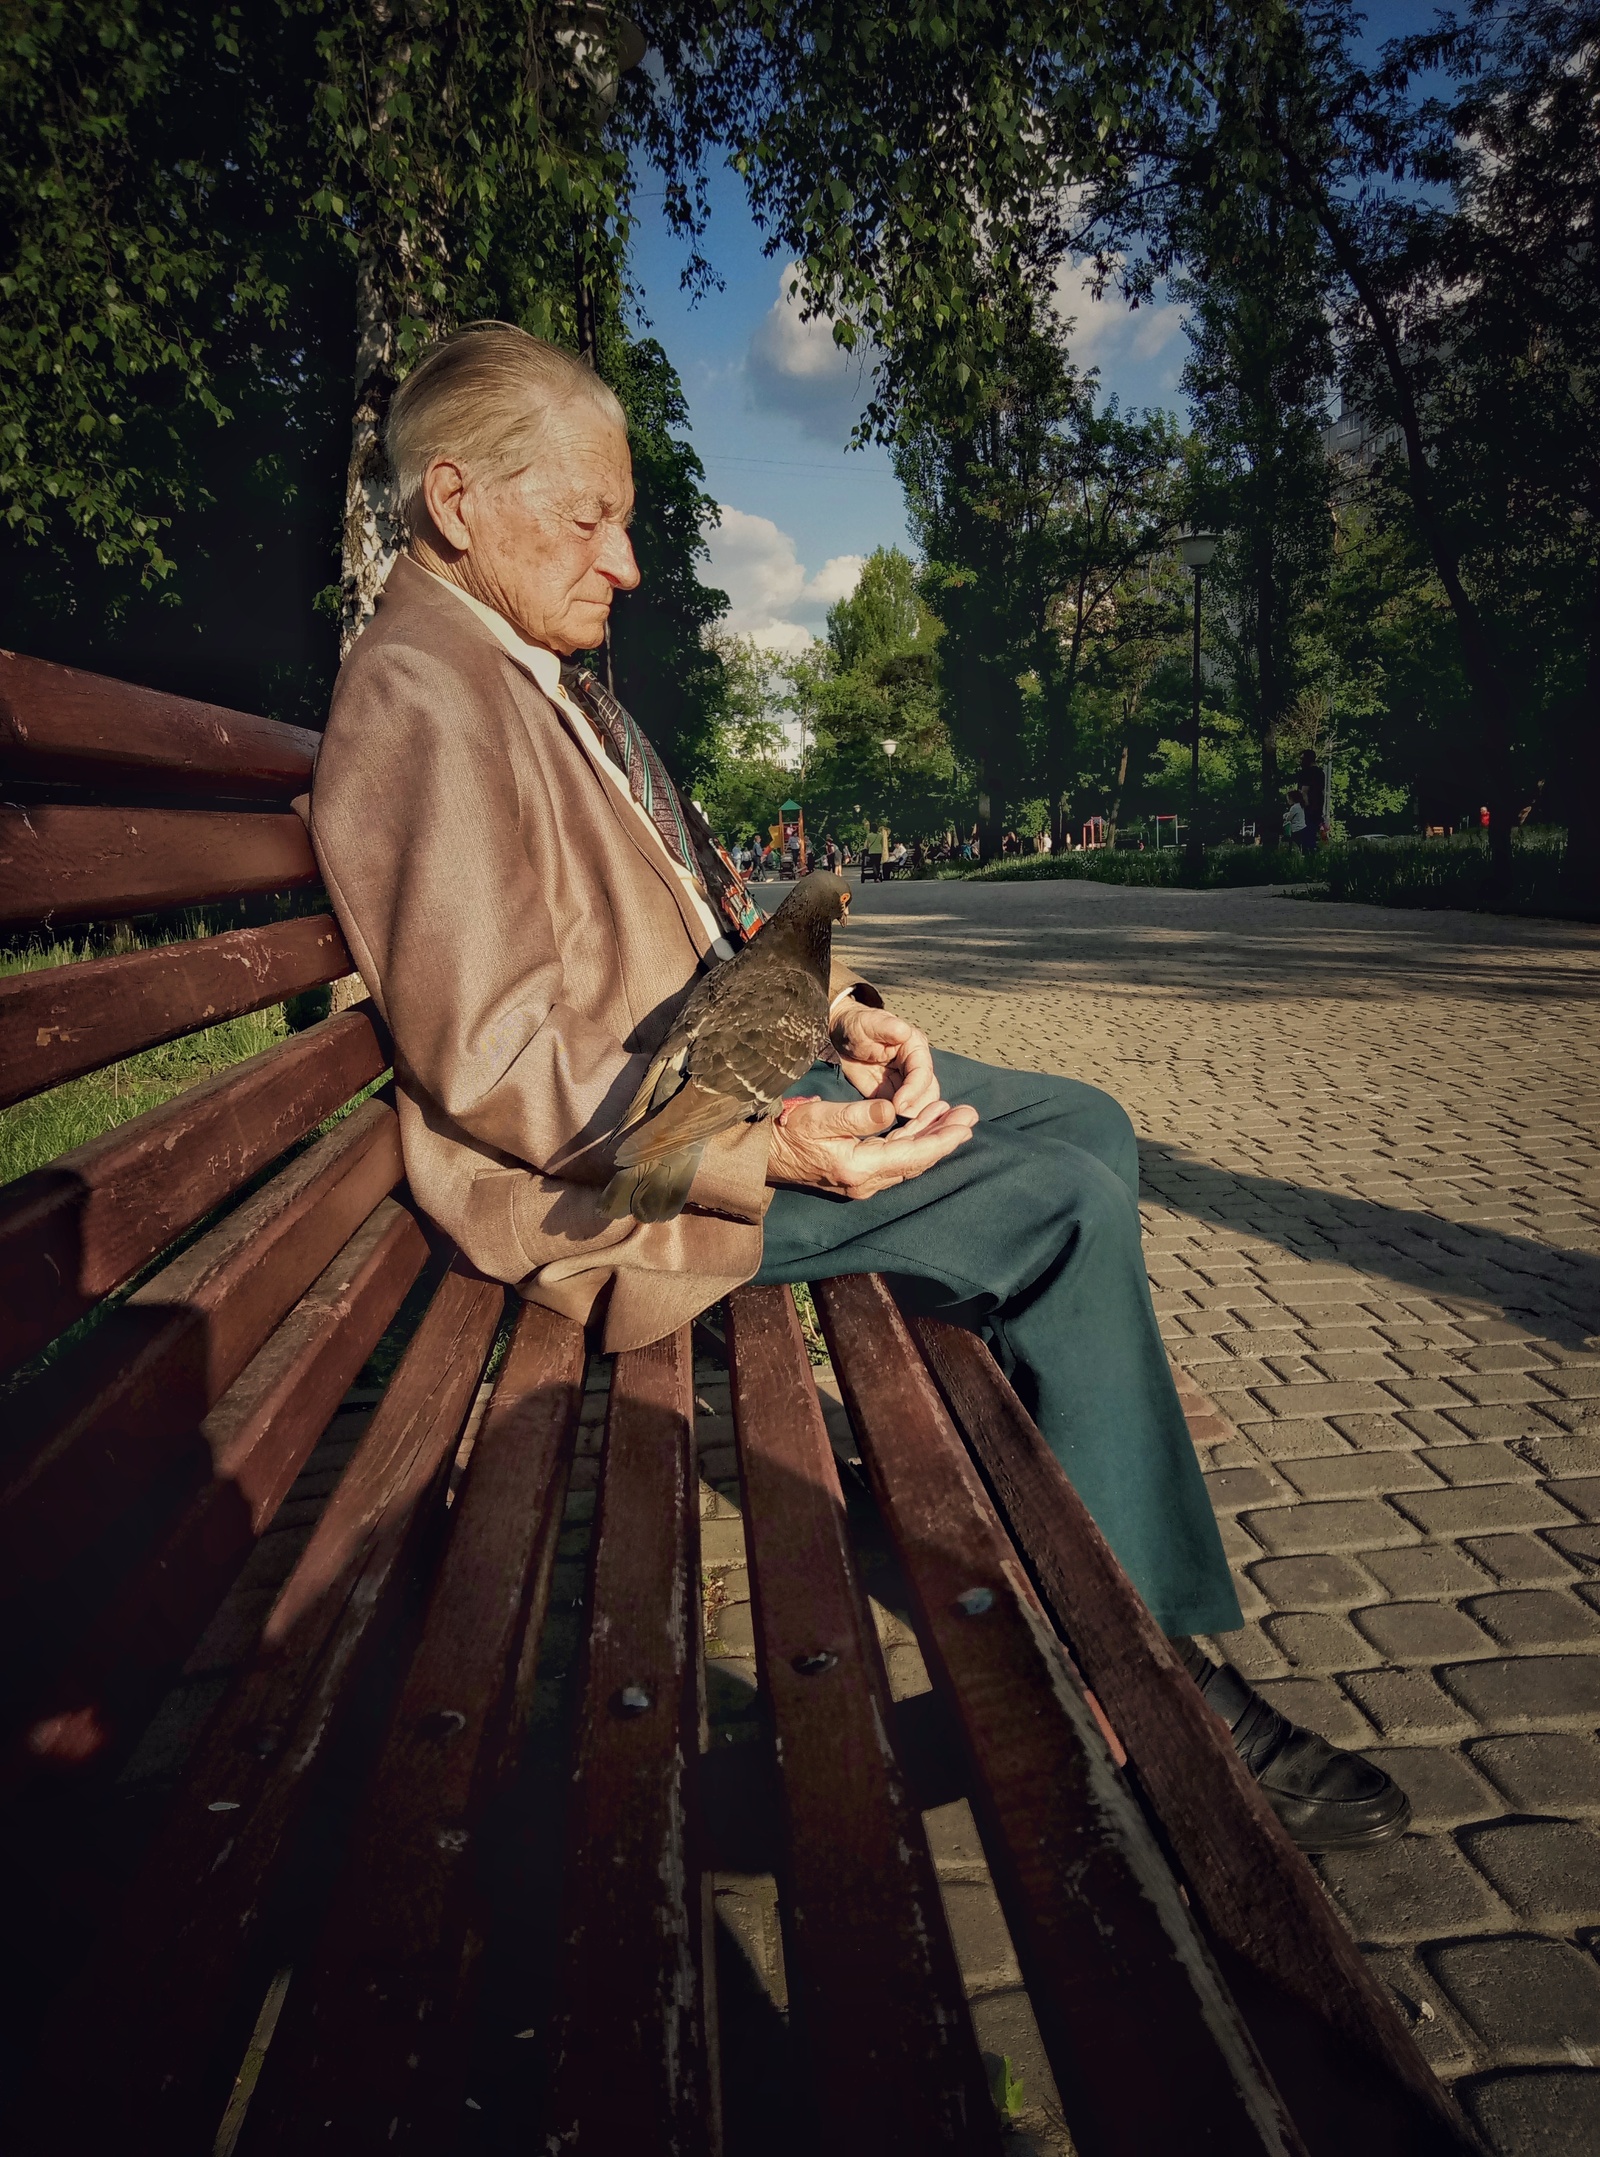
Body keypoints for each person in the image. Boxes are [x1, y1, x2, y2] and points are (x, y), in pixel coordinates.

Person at [311, 323, 1407, 1853]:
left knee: (1089, 1120)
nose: (624, 562)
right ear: (454, 502)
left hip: (692, 1103)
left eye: (624, 520)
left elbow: (689, 929)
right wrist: (769, 1146)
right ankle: (1144, 1684)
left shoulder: (524, 670)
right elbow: (493, 1060)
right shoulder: (424, 694)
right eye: (590, 521)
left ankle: (1047, 1524)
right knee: (1053, 1202)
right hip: (610, 1195)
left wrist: (839, 1012)